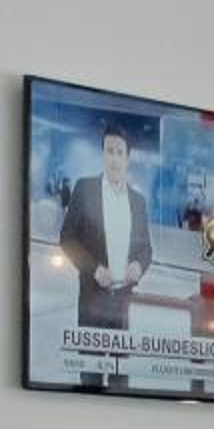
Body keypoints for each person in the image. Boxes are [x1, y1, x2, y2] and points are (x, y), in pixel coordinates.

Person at [56, 125, 153, 327]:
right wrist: (94, 269)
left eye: (119, 152)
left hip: (124, 303)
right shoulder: (85, 189)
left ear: (127, 159)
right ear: (102, 155)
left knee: (120, 348)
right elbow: (67, 238)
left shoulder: (138, 201)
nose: (114, 159)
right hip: (92, 299)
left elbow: (146, 249)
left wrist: (139, 265)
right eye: (110, 151)